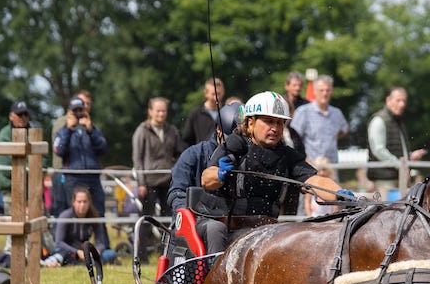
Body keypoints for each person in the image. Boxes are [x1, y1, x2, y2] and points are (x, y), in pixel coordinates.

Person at [167, 91, 346, 255]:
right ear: (251, 123)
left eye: (279, 122)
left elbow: (315, 180)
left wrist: (340, 194)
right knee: (215, 230)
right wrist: (220, 173)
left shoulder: (288, 156)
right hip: (228, 228)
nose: (275, 128)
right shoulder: (235, 146)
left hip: (268, 229)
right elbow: (207, 179)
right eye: (268, 121)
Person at [131, 96, 181, 257]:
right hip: (149, 181)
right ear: (150, 111)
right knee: (146, 219)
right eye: (158, 110)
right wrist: (141, 182)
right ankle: (141, 254)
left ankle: (166, 253)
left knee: (169, 218)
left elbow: (178, 152)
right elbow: (137, 158)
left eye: (164, 110)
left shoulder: (172, 130)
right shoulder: (142, 130)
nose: (161, 114)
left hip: (168, 180)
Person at [53, 94, 108, 219]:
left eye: (80, 110)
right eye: (75, 111)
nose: (78, 114)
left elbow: (103, 149)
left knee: (99, 213)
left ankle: (101, 239)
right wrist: (68, 129)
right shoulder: (62, 131)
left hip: (93, 177)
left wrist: (91, 131)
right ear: (69, 112)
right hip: (73, 178)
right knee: (72, 214)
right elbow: (59, 151)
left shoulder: (93, 129)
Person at [366, 86, 426, 200]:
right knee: (385, 215)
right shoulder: (379, 120)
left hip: (399, 178)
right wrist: (401, 165)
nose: (402, 104)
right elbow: (378, 151)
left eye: (404, 101)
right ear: (388, 100)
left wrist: (410, 156)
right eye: (398, 100)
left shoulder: (397, 121)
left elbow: (395, 150)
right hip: (385, 180)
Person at [43, 185, 116, 267]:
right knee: (63, 255)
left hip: (86, 252)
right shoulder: (65, 216)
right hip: (68, 251)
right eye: (79, 201)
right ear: (73, 202)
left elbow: (101, 242)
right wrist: (77, 252)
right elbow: (59, 243)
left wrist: (96, 251)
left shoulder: (94, 217)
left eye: (85, 201)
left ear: (89, 202)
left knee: (110, 254)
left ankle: (89, 262)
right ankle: (86, 263)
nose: (82, 205)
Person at [289, 74, 348, 164]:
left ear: (332, 91)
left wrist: (330, 138)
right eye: (321, 90)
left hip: (332, 166)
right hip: (310, 166)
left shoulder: (337, 113)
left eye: (327, 90)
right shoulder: (303, 112)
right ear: (315, 91)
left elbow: (344, 130)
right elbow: (293, 138)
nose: (325, 93)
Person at [0, 101, 30, 212]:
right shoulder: (4, 136)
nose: (23, 118)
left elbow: (43, 159)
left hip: (32, 189)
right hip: (11, 190)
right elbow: (6, 169)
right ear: (11, 116)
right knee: (13, 226)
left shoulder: (34, 132)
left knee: (39, 226)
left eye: (25, 114)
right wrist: (32, 169)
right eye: (19, 115)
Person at [182, 77, 225, 148]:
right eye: (213, 94)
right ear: (206, 93)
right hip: (202, 155)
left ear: (223, 92)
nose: (216, 97)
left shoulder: (227, 112)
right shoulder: (195, 113)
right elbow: (187, 139)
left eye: (219, 93)